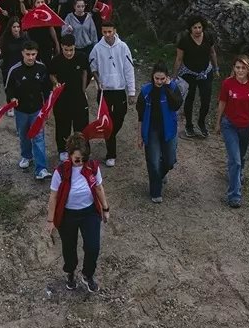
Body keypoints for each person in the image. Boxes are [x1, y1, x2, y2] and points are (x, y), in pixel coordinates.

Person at [46, 133, 109, 293]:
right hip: (68, 215)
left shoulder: (93, 167)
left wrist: (105, 208)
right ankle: (70, 272)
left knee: (93, 246)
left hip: (89, 212)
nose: (80, 162)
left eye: (83, 158)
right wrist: (51, 220)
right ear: (69, 155)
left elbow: (98, 188)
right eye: (77, 158)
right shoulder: (60, 172)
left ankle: (87, 275)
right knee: (69, 247)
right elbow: (53, 196)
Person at [216, 55, 249, 208]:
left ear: (248, 69)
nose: (240, 70)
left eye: (243, 68)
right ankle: (234, 196)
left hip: (246, 126)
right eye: (237, 67)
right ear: (233, 68)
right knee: (235, 159)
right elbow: (222, 103)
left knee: (241, 157)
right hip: (229, 125)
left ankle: (237, 174)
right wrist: (218, 123)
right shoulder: (228, 83)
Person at [88, 20, 135, 167]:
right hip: (104, 92)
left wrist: (131, 92)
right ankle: (111, 154)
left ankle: (110, 135)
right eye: (104, 32)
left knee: (119, 117)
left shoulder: (123, 47)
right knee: (107, 122)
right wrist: (97, 79)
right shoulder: (97, 48)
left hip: (119, 90)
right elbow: (92, 67)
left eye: (110, 31)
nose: (107, 35)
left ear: (114, 30)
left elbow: (129, 69)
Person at [5, 41, 53, 180]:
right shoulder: (15, 70)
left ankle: (41, 169)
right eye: (28, 54)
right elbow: (9, 88)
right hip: (21, 110)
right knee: (24, 135)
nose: (30, 57)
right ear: (22, 53)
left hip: (37, 110)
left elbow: (47, 89)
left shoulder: (42, 68)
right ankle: (26, 156)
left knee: (38, 137)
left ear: (37, 54)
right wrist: (12, 98)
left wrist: (47, 108)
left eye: (33, 54)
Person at [137, 65, 184, 203]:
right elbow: (140, 115)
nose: (159, 81)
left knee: (170, 160)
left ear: (167, 78)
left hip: (169, 130)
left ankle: (160, 175)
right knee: (153, 161)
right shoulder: (146, 91)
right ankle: (155, 191)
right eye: (156, 78)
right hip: (151, 130)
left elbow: (176, 105)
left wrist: (168, 87)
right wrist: (139, 136)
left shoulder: (173, 87)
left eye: (162, 79)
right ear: (152, 77)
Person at [173, 16, 220, 139]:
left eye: (200, 27)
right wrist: (174, 75)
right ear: (190, 29)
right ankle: (189, 125)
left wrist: (216, 68)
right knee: (189, 99)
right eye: (195, 28)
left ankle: (201, 122)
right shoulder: (184, 41)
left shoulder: (209, 37)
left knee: (206, 100)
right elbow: (179, 59)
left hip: (206, 73)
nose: (198, 30)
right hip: (189, 74)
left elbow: (212, 52)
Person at [50, 33, 92, 160]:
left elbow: (85, 72)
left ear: (75, 47)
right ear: (62, 47)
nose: (69, 53)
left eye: (71, 49)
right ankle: (63, 149)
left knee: (82, 125)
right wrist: (55, 83)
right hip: (62, 98)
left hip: (78, 96)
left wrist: (83, 88)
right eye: (66, 50)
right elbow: (51, 74)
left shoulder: (82, 57)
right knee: (62, 124)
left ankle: (83, 149)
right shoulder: (56, 60)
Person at [0, 18, 25, 116]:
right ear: (10, 28)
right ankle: (10, 105)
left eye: (18, 27)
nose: (16, 29)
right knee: (9, 87)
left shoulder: (24, 38)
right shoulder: (5, 39)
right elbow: (0, 56)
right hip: (8, 68)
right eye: (14, 27)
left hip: (21, 67)